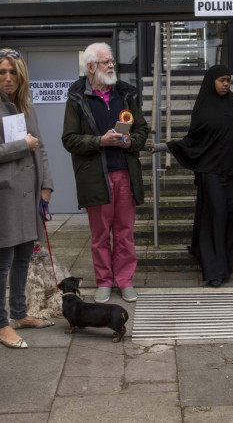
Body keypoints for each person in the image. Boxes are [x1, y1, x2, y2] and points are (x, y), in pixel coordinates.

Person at [149, 65, 233, 287]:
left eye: (228, 80)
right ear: (211, 81)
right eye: (222, 80)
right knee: (217, 215)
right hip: (212, 171)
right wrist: (164, 146)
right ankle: (214, 270)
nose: (226, 84)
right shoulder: (203, 108)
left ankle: (225, 263)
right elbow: (194, 141)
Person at [0, 48, 55, 349]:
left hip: (29, 193)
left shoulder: (27, 107)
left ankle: (20, 314)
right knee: (3, 260)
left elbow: (41, 148)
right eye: (1, 72)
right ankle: (0, 324)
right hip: (5, 196)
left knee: (24, 256)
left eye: (13, 72)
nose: (7, 77)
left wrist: (46, 185)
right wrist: (22, 145)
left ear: (21, 76)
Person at [61, 42, 149, 303]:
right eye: (105, 62)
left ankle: (125, 280)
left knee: (125, 234)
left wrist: (130, 141)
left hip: (124, 173)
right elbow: (69, 139)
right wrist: (100, 141)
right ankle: (104, 282)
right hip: (96, 177)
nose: (112, 66)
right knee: (100, 236)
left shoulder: (126, 95)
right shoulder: (77, 98)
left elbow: (142, 130)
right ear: (90, 67)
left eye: (112, 61)